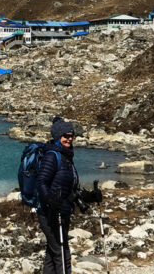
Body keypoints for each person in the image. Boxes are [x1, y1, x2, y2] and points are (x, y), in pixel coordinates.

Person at [36, 117, 102, 274]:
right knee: (62, 252)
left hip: (62, 212)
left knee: (53, 253)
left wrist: (91, 197)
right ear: (58, 137)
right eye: (66, 136)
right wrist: (50, 200)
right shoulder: (52, 156)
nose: (69, 139)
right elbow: (41, 182)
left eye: (72, 135)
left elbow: (72, 189)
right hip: (49, 213)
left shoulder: (67, 157)